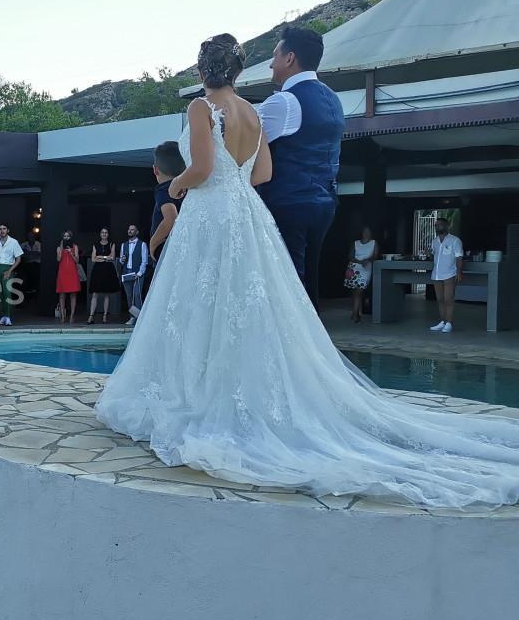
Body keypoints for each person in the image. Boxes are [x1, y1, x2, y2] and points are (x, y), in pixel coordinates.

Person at [95, 32, 519, 509]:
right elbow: (262, 176)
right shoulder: (256, 112)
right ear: (237, 71)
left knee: (197, 302)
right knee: (245, 305)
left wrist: (178, 184)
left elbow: (203, 166)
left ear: (200, 71)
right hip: (247, 214)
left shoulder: (200, 108)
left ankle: (195, 391)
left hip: (211, 215)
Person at [256, 26, 344, 310]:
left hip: (288, 202)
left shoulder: (284, 101)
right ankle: (313, 345)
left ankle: (293, 351)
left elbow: (244, 145)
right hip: (325, 203)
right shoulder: (334, 99)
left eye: (274, 55)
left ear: (289, 58)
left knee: (286, 284)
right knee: (308, 283)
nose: (271, 63)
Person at [148, 141, 186, 265]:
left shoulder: (163, 190)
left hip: (165, 245)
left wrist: (153, 243)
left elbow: (171, 217)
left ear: (155, 170)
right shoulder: (187, 188)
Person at [430, 218, 464, 334]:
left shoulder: (455, 240)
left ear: (447, 226)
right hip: (436, 274)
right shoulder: (434, 241)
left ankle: (449, 323)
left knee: (448, 299)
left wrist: (459, 272)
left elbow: (459, 257)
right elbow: (434, 256)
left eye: (440, 225)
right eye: (436, 225)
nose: (437, 227)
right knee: (440, 300)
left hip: (450, 273)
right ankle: (443, 322)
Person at [0, 224, 24, 327]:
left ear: (8, 230)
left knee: (7, 292)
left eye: (4, 229)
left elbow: (18, 259)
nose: (2, 231)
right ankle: (2, 316)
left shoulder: (14, 242)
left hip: (8, 268)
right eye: (0, 229)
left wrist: (10, 271)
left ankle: (8, 316)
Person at [344, 226, 378, 324]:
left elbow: (375, 255)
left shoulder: (374, 243)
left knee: (359, 291)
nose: (366, 233)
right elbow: (350, 256)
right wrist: (359, 261)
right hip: (354, 268)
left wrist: (367, 261)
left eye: (368, 231)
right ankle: (356, 313)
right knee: (355, 292)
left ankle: (354, 313)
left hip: (365, 269)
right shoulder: (355, 243)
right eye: (364, 231)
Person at [85, 228, 118, 324]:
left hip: (108, 270)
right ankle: (91, 316)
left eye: (106, 232)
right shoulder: (95, 244)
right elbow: (93, 259)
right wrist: (105, 257)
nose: (104, 234)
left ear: (108, 234)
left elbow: (112, 257)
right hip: (98, 270)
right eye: (102, 232)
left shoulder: (112, 244)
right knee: (95, 293)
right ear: (100, 234)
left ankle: (104, 316)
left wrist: (100, 257)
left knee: (106, 294)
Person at [119, 225, 148, 322]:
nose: (130, 231)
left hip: (138, 273)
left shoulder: (142, 244)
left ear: (137, 232)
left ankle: (139, 319)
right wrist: (122, 260)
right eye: (129, 229)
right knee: (129, 296)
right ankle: (132, 317)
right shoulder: (124, 245)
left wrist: (139, 273)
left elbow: (144, 261)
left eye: (132, 230)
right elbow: (121, 261)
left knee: (137, 295)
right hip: (127, 273)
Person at [55, 230, 81, 324]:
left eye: (68, 236)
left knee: (73, 294)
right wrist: (61, 249)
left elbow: (77, 261)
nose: (66, 238)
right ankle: (62, 315)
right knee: (62, 294)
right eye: (64, 236)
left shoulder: (75, 246)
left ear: (70, 237)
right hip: (62, 272)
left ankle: (72, 315)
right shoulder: (59, 247)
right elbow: (58, 259)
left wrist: (71, 252)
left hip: (72, 272)